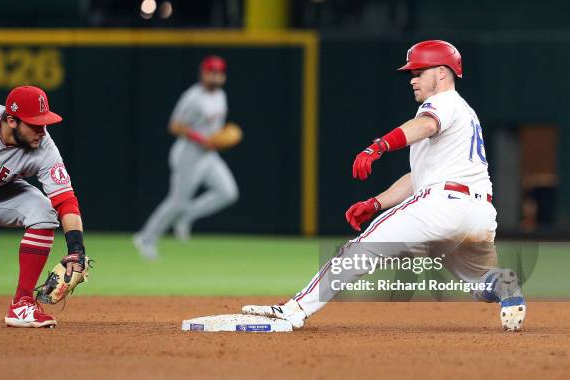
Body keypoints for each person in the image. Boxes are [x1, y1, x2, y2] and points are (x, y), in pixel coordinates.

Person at [242, 40, 526, 332]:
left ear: (442, 72)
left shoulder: (444, 102)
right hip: (477, 213)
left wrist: (379, 145)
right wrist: (376, 202)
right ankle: (504, 283)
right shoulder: (466, 114)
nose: (412, 79)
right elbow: (419, 179)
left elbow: (426, 126)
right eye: (411, 74)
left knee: (357, 251)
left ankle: (294, 310)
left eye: (419, 71)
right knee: (482, 285)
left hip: (442, 207)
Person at [0, 85, 87, 328]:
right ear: (12, 121)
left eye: (44, 123)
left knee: (43, 211)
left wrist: (77, 249)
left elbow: (65, 200)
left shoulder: (45, 149)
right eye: (35, 124)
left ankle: (22, 304)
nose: (42, 131)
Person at [133, 55, 239, 260]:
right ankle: (146, 238)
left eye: (219, 72)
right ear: (203, 73)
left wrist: (219, 138)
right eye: (211, 72)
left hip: (209, 155)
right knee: (177, 201)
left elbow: (214, 130)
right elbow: (175, 125)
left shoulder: (221, 96)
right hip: (188, 155)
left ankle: (186, 216)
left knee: (228, 193)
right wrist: (202, 139)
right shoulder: (192, 97)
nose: (215, 76)